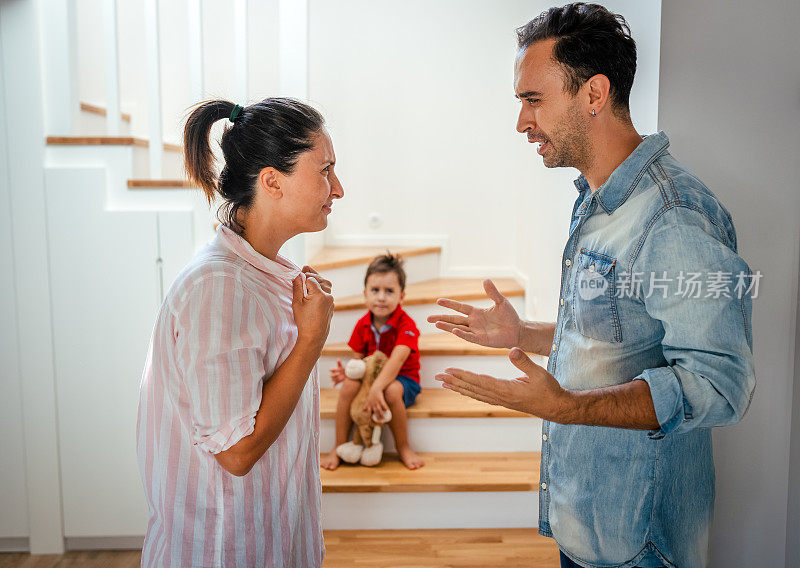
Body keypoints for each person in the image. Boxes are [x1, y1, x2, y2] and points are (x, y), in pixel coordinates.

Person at [428, 4, 756, 568]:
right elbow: (623, 330)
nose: (522, 122)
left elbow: (719, 384)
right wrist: (526, 333)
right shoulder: (597, 201)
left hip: (640, 542)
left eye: (533, 100)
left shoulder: (673, 214)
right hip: (591, 522)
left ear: (593, 93)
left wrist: (567, 406)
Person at [136, 97, 343, 567]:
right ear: (272, 180)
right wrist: (310, 341)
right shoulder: (218, 287)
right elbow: (236, 452)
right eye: (325, 171)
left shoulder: (263, 274)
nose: (338, 189)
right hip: (221, 549)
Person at [320, 253, 425, 471]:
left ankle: (403, 446)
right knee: (349, 385)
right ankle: (338, 446)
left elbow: (397, 361)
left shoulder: (407, 325)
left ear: (401, 296)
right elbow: (358, 362)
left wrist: (377, 388)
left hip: (403, 381)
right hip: (371, 381)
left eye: (389, 291)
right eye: (375, 290)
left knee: (391, 391)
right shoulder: (362, 324)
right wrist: (347, 373)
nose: (381, 297)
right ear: (365, 294)